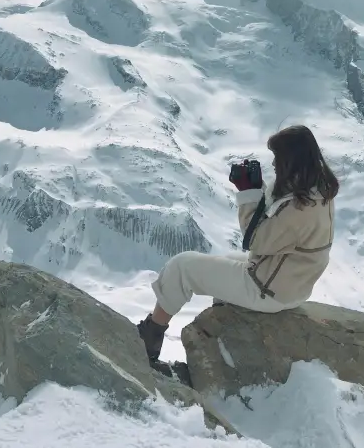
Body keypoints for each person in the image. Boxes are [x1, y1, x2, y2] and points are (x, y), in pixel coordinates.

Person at [137, 124, 339, 366]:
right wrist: (258, 188)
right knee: (223, 262)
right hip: (288, 283)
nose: (274, 164)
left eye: (278, 158)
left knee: (182, 266)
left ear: (292, 159)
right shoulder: (317, 190)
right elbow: (278, 227)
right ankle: (225, 325)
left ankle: (150, 337)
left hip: (268, 289)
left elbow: (255, 241)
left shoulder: (300, 207)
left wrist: (248, 194)